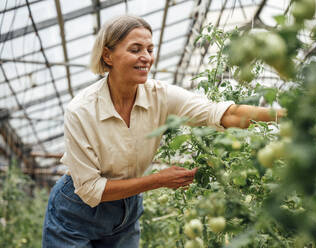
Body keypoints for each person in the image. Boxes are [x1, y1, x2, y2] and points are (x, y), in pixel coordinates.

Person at [42, 15, 285, 247]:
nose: (146, 57)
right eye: (135, 49)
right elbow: (90, 190)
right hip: (75, 215)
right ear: (108, 55)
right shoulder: (82, 110)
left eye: (150, 49)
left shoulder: (160, 95)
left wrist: (284, 116)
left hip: (126, 211)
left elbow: (224, 114)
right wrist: (158, 180)